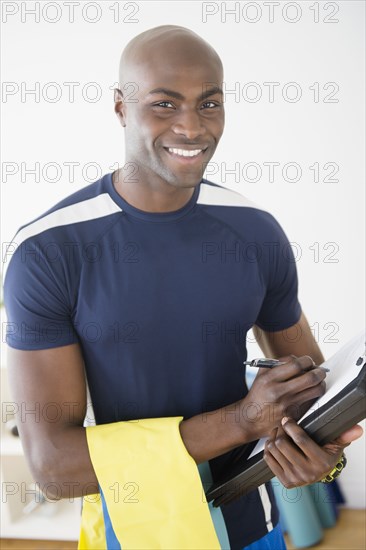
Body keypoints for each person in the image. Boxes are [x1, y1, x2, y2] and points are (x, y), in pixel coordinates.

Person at [3, 25, 363, 550]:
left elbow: (315, 397)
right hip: (133, 532)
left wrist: (323, 457)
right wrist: (241, 422)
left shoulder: (256, 231)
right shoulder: (48, 251)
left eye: (209, 103)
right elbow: (55, 470)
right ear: (121, 108)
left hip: (252, 524)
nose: (192, 127)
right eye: (165, 104)